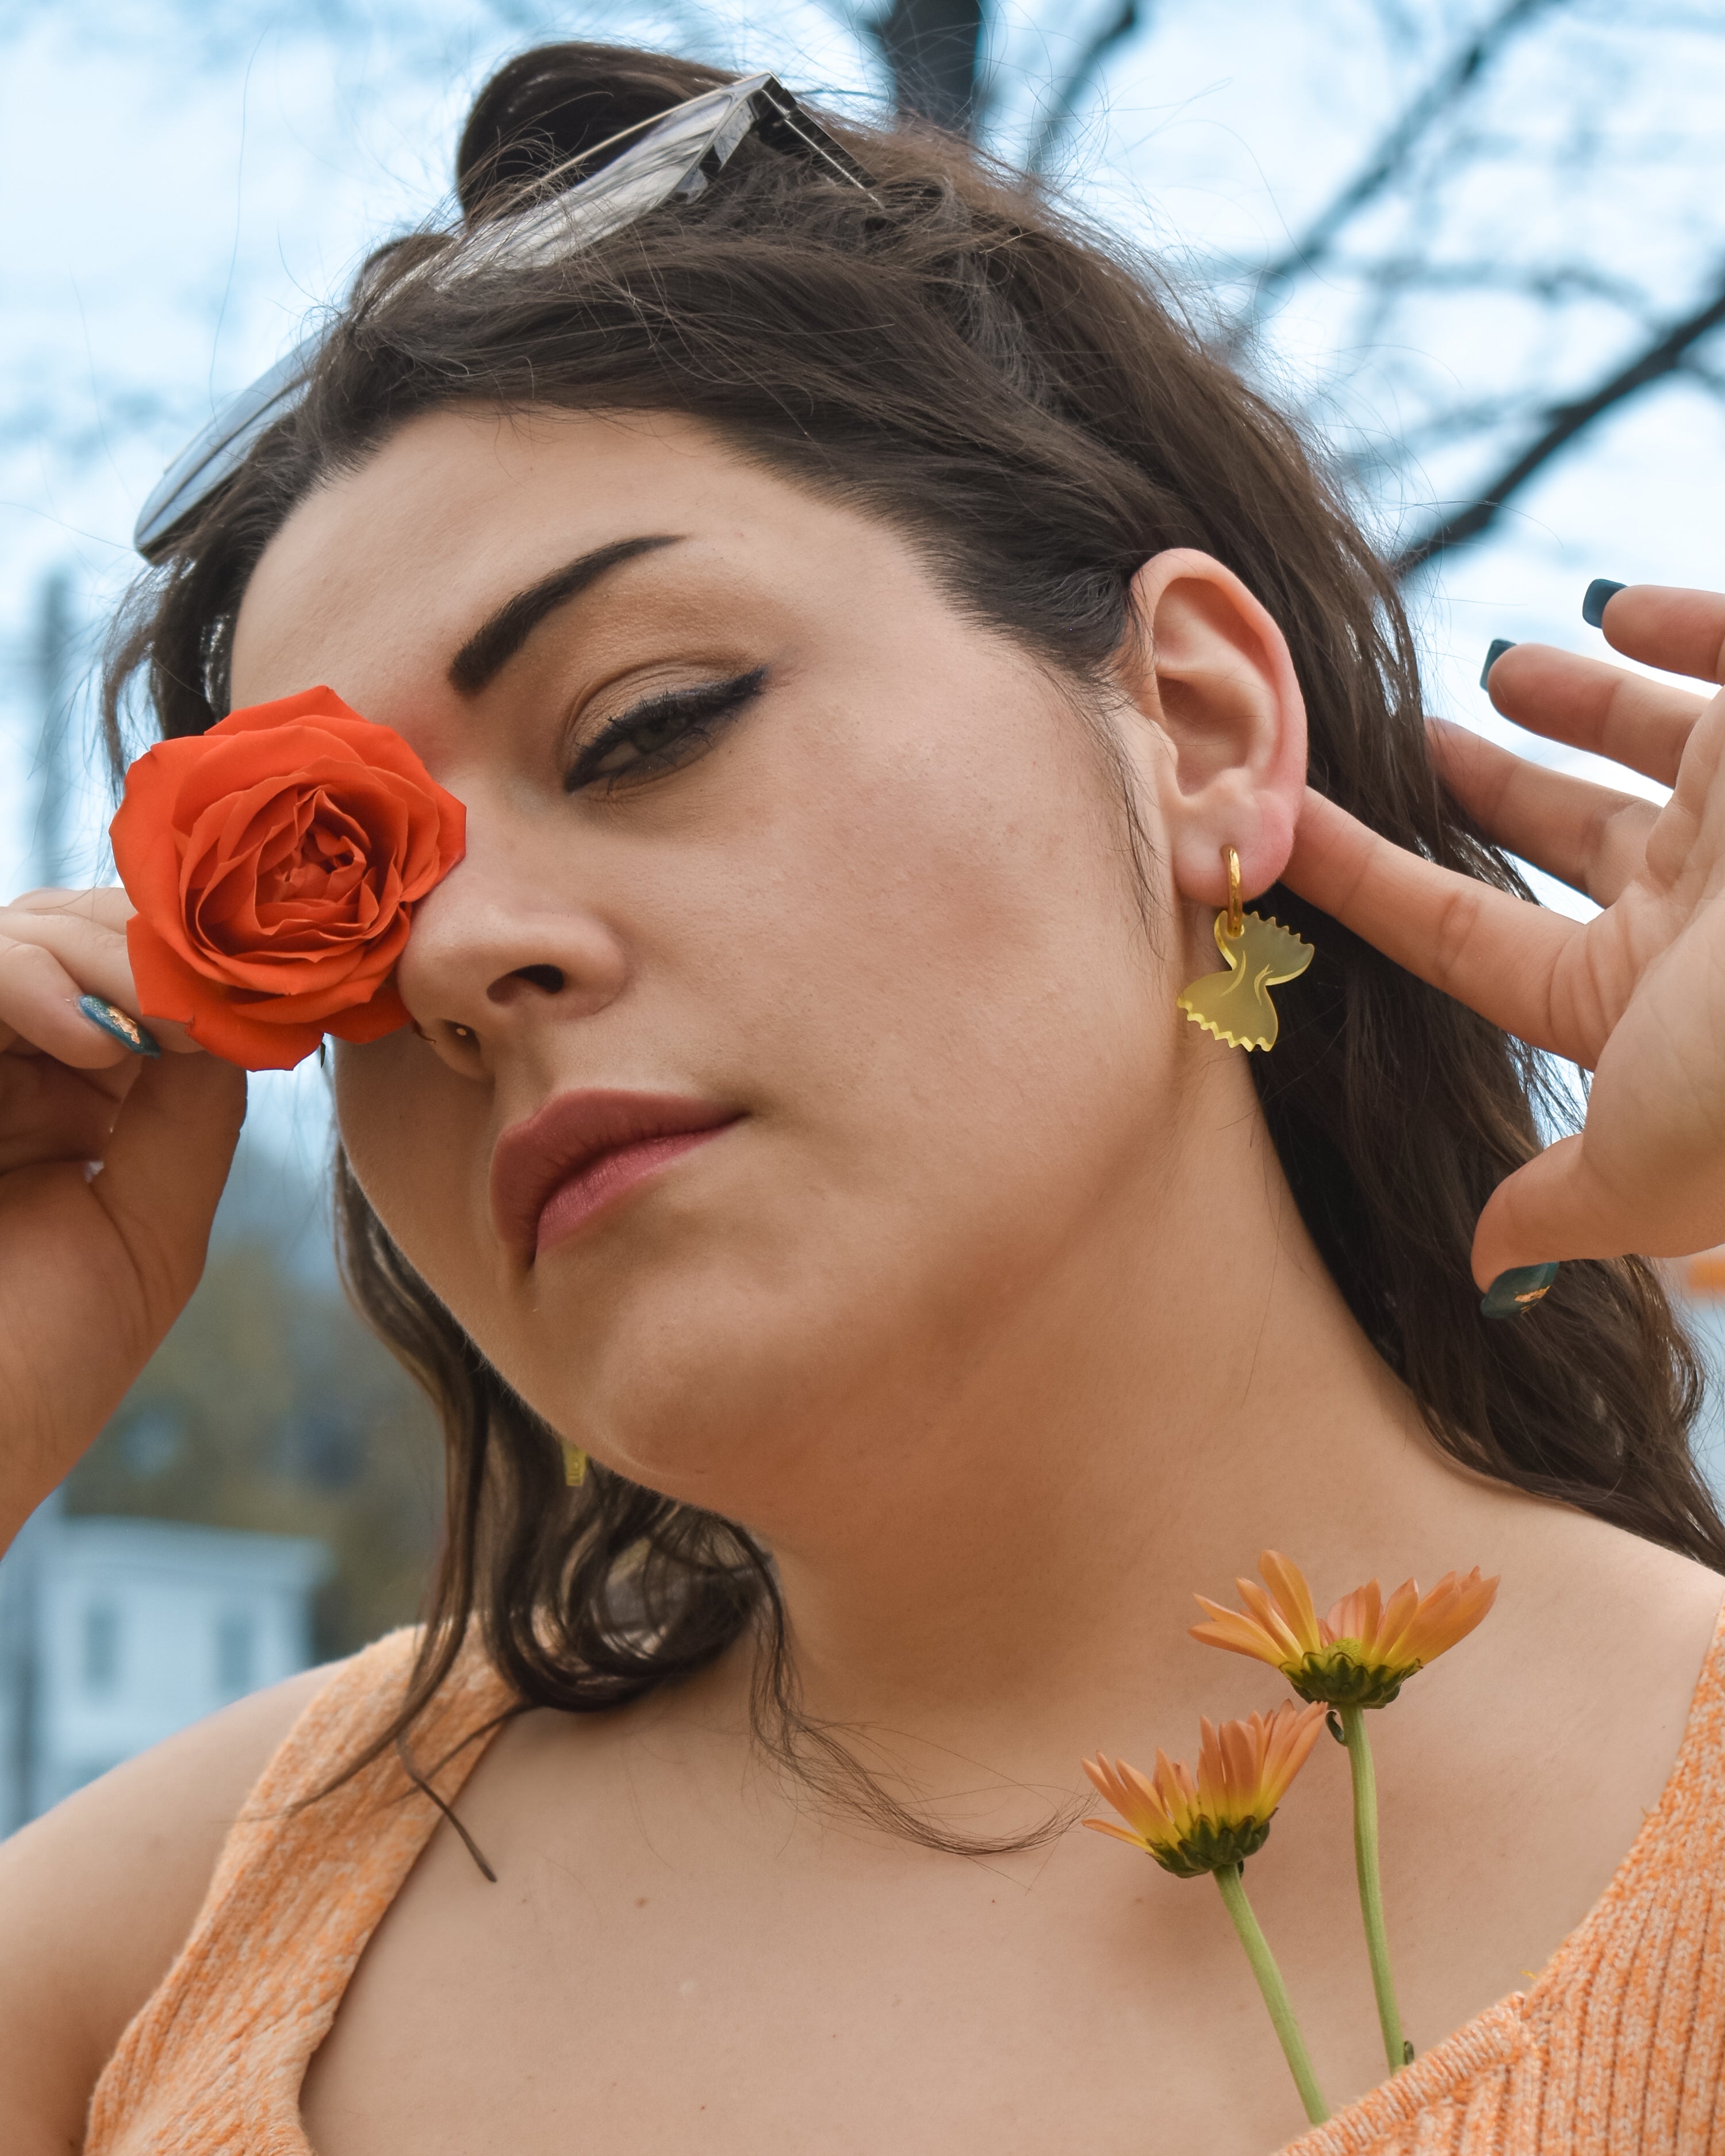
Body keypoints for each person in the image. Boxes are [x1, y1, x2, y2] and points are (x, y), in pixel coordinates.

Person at [2, 39, 1725, 2156]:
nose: (453, 964)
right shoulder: (153, 1947)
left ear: (1190, 725)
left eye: (644, 722)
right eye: (342, 925)